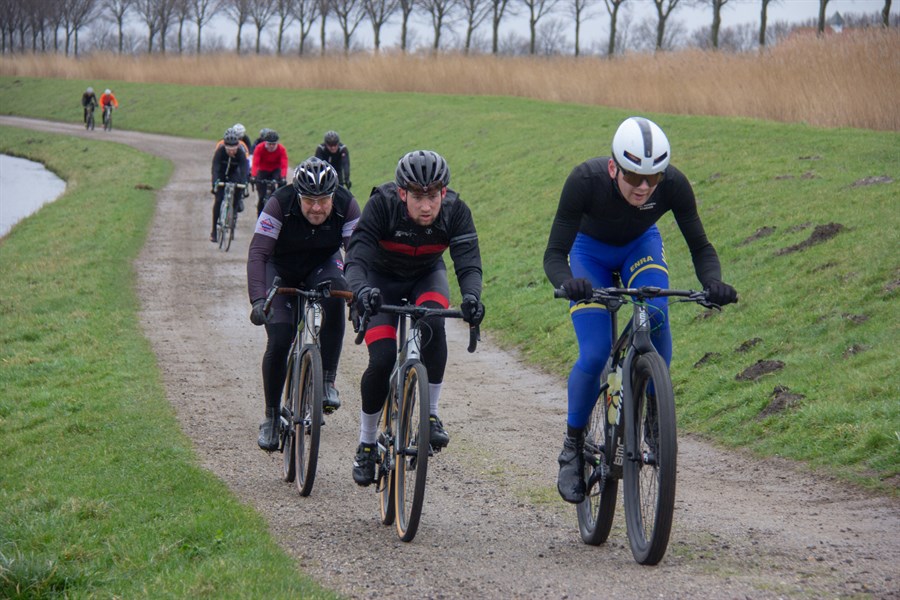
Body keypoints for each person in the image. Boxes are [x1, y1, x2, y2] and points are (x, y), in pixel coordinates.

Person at [543, 116, 738, 504]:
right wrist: (569, 282)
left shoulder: (674, 185)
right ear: (614, 167)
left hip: (639, 246)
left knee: (658, 312)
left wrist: (713, 281)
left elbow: (700, 246)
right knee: (596, 351)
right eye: (634, 177)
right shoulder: (584, 181)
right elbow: (554, 254)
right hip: (588, 253)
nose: (645, 187)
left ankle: (652, 408)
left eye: (654, 178)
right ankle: (572, 446)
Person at [344, 150, 485, 486]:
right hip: (380, 281)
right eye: (418, 197)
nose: (427, 206)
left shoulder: (455, 212)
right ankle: (366, 443)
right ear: (402, 192)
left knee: (434, 324)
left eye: (433, 197)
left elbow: (468, 263)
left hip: (426, 275)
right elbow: (357, 257)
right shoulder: (382, 205)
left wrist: (472, 298)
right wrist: (362, 292)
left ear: (443, 194)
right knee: (380, 361)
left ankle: (431, 414)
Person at [247, 157, 361, 451]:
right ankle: (271, 417)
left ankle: (327, 381)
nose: (317, 208)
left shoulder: (347, 205)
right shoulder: (278, 203)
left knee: (337, 291)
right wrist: (259, 299)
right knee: (281, 338)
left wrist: (359, 296)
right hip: (281, 270)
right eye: (309, 200)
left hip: (322, 265)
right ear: (298, 195)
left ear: (333, 196)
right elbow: (258, 253)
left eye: (324, 200)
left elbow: (359, 256)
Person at [210, 128, 249, 243]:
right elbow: (215, 168)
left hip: (234, 174)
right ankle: (214, 231)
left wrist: (244, 183)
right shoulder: (220, 152)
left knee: (237, 194)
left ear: (237, 146)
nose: (232, 152)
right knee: (218, 200)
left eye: (234, 149)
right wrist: (215, 182)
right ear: (225, 147)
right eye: (229, 149)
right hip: (221, 174)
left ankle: (234, 213)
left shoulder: (241, 153)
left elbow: (243, 170)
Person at [250, 129, 289, 216]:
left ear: (277, 143)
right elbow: (255, 163)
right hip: (263, 171)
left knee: (278, 192)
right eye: (269, 144)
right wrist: (253, 176)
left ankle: (280, 210)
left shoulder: (281, 149)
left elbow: (284, 165)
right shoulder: (259, 148)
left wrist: (283, 177)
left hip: (275, 171)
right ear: (265, 143)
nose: (271, 146)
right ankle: (259, 217)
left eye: (273, 144)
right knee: (262, 196)